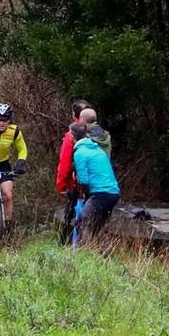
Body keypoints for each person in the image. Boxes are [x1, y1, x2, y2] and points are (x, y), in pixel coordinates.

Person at [71, 120, 121, 243]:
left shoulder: (80, 152)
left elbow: (83, 180)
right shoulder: (97, 149)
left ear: (72, 136)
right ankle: (99, 252)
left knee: (81, 221)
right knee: (96, 226)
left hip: (101, 194)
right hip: (113, 193)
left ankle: (85, 253)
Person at [55, 99, 91, 244]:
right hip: (97, 183)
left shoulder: (72, 135)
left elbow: (64, 163)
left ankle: (66, 244)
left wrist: (61, 185)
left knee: (72, 214)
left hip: (76, 183)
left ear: (73, 114)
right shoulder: (99, 133)